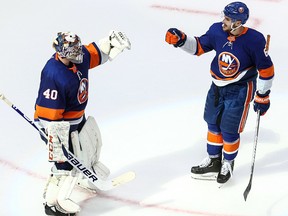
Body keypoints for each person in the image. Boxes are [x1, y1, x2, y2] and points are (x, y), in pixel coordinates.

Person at [165, 1, 274, 184]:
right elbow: (199, 46)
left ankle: (228, 163)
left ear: (238, 23)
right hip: (217, 87)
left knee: (229, 129)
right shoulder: (217, 31)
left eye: (227, 18)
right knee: (212, 122)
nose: (223, 21)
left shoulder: (254, 40)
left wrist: (262, 95)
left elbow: (266, 69)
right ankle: (214, 161)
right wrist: (182, 40)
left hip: (240, 89)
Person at [34, 30, 131, 215]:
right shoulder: (53, 74)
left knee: (88, 148)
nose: (79, 54)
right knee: (65, 163)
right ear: (63, 52)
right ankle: (54, 203)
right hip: (57, 125)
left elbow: (94, 54)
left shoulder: (77, 57)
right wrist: (55, 137)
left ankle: (83, 179)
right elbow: (48, 114)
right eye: (74, 51)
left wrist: (111, 43)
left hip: (77, 118)